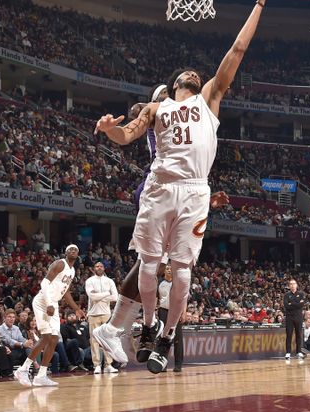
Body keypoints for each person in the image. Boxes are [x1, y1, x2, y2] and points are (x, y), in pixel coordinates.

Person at [94, 0, 279, 375]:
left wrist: (260, 1)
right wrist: (111, 130)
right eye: (187, 75)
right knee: (147, 263)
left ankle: (168, 333)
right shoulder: (157, 108)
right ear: (174, 84)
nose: (194, 75)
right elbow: (128, 135)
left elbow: (238, 49)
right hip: (161, 186)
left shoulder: (210, 98)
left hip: (195, 191)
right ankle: (146, 326)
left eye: (197, 75)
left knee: (181, 271)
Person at [92, 84, 229, 365]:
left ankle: (128, 327)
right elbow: (137, 114)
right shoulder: (159, 110)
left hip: (177, 190)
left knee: (156, 265)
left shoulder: (182, 116)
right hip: (160, 187)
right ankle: (123, 327)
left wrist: (206, 199)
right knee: (154, 263)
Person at [15, 245, 84, 388]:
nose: (73, 251)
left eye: (75, 250)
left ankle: (41, 376)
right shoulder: (60, 264)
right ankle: (23, 369)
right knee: (46, 336)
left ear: (78, 254)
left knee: (54, 339)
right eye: (70, 249)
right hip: (43, 302)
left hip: (54, 303)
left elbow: (65, 293)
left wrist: (77, 309)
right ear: (65, 253)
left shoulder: (72, 270)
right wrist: (49, 304)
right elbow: (44, 282)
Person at [85, 261, 119, 374]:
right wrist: (106, 294)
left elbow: (115, 297)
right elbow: (92, 296)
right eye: (97, 266)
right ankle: (97, 365)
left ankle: (108, 365)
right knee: (94, 340)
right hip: (93, 314)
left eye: (101, 266)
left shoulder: (109, 281)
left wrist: (99, 296)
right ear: (94, 268)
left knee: (107, 340)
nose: (99, 268)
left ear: (104, 268)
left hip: (106, 313)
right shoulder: (89, 281)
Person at [156, 262, 183, 372]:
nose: (168, 270)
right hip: (163, 311)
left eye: (170, 268)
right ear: (164, 271)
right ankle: (163, 364)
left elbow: (183, 299)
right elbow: (156, 299)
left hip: (176, 311)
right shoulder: (159, 283)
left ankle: (178, 365)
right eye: (166, 268)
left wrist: (183, 312)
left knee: (177, 339)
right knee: (164, 338)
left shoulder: (178, 283)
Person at [283, 278, 306, 359]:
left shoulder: (301, 294)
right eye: (291, 284)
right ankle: (288, 352)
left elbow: (301, 305)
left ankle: (299, 352)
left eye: (294, 283)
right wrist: (296, 303)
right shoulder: (286, 295)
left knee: (299, 334)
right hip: (289, 317)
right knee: (289, 334)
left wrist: (291, 303)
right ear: (289, 286)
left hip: (298, 317)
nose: (292, 285)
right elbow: (286, 306)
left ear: (296, 285)